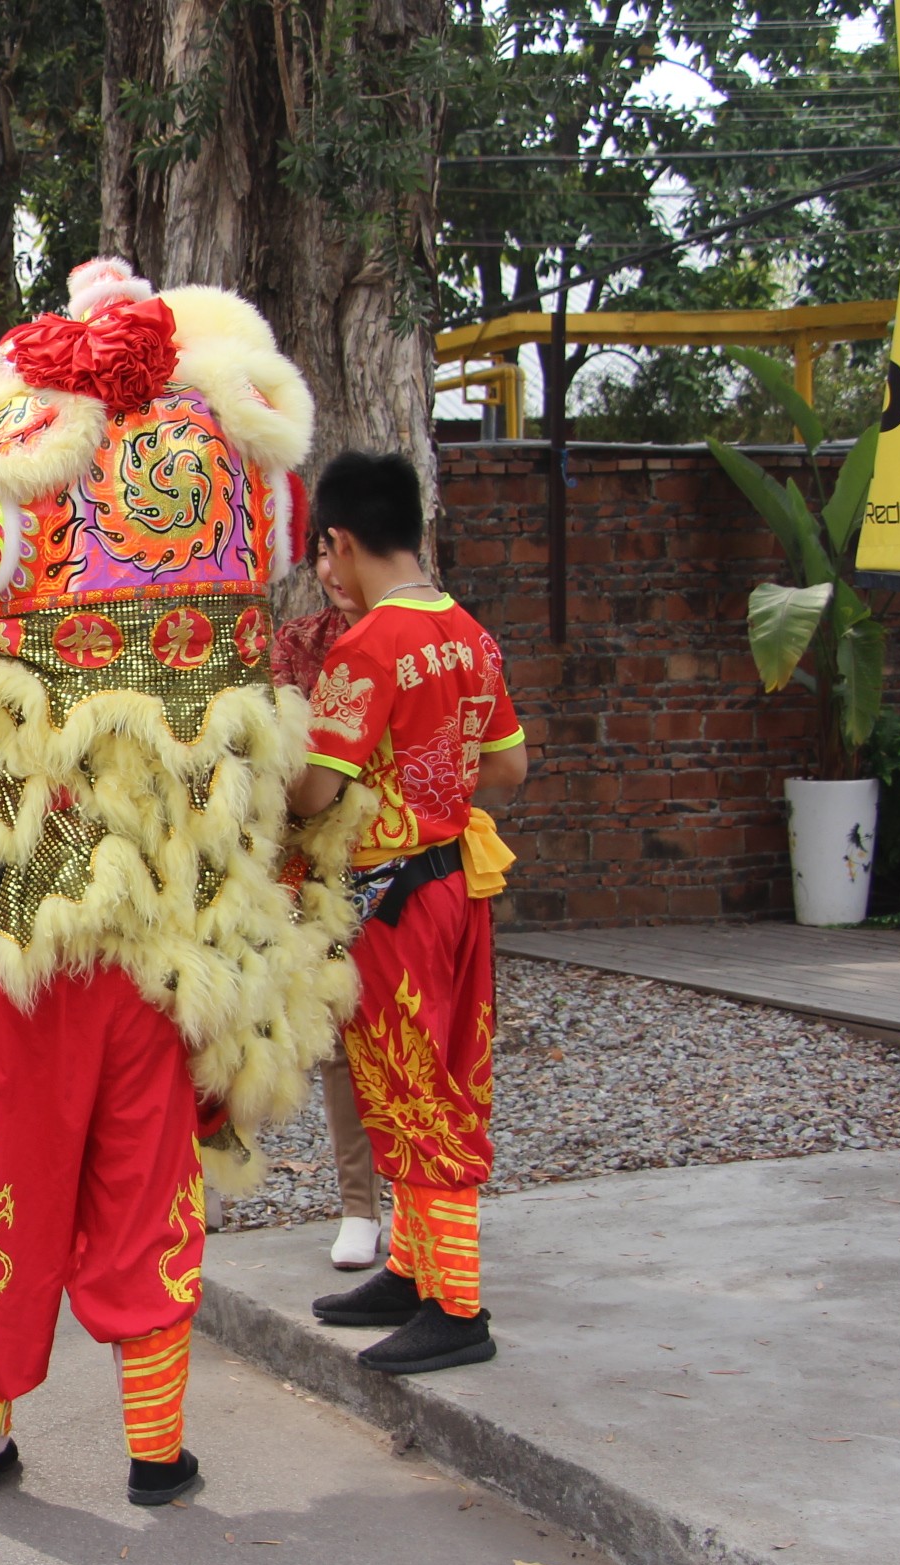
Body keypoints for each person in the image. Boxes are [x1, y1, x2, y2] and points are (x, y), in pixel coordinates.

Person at [291, 451, 527, 1375]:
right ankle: (411, 1269)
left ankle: (457, 1305)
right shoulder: (469, 634)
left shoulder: (369, 647)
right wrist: (432, 774)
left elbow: (314, 792)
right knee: (436, 1073)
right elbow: (507, 768)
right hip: (457, 889)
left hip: (392, 896)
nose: (324, 576)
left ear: (340, 543)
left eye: (323, 556)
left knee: (412, 1083)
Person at [271, 548, 385, 1272]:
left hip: (403, 861)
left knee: (404, 1034)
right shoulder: (300, 643)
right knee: (323, 1027)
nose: (333, 570)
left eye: (345, 550)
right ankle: (359, 1206)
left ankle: (422, 1207)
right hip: (310, 858)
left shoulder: (412, 639)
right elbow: (286, 763)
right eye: (323, 552)